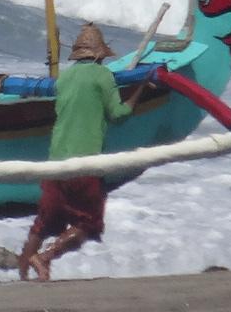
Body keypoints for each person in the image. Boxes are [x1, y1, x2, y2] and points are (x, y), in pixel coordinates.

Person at [19, 23, 149, 281]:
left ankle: (23, 273)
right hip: (85, 165)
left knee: (43, 222)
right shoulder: (103, 76)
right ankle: (46, 257)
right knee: (89, 224)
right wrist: (139, 90)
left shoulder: (64, 78)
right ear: (100, 55)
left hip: (54, 164)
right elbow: (119, 114)